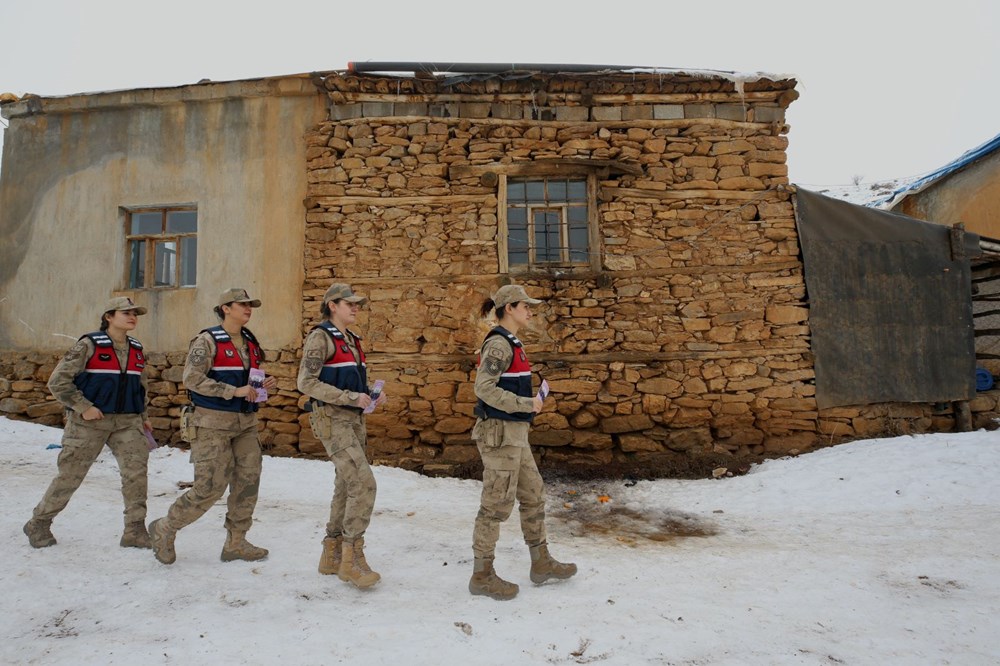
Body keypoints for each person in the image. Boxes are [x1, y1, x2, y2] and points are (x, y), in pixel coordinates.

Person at [148, 288, 277, 565]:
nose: (248, 308)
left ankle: (236, 542)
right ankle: (164, 528)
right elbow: (192, 378)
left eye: (250, 304)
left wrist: (262, 386)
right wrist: (234, 391)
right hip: (212, 423)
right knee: (209, 487)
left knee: (247, 483)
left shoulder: (250, 343)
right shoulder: (207, 340)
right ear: (225, 308)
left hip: (245, 423)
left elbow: (248, 382)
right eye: (241, 304)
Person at [469, 284, 577, 600]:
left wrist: (527, 403)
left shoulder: (513, 343)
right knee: (496, 504)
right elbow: (484, 389)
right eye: (525, 306)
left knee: (533, 493)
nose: (530, 311)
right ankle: (482, 574)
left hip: (515, 434)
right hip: (499, 434)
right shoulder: (499, 345)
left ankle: (540, 562)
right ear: (509, 308)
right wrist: (526, 404)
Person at [23, 296, 153, 550]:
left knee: (136, 475)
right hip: (89, 423)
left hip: (128, 422)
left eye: (135, 312)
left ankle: (135, 530)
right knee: (71, 475)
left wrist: (144, 417)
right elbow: (58, 381)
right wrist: (84, 407)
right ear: (109, 316)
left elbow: (141, 386)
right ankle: (39, 522)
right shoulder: (89, 345)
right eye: (125, 312)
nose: (132, 316)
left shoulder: (137, 348)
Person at [297, 283, 386, 589]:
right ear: (332, 305)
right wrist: (349, 397)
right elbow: (306, 382)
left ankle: (331, 554)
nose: (355, 307)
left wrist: (369, 395)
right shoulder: (320, 337)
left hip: (353, 421)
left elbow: (350, 382)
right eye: (349, 303)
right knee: (363, 483)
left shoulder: (352, 340)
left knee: (346, 485)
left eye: (357, 303)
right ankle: (352, 559)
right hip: (333, 420)